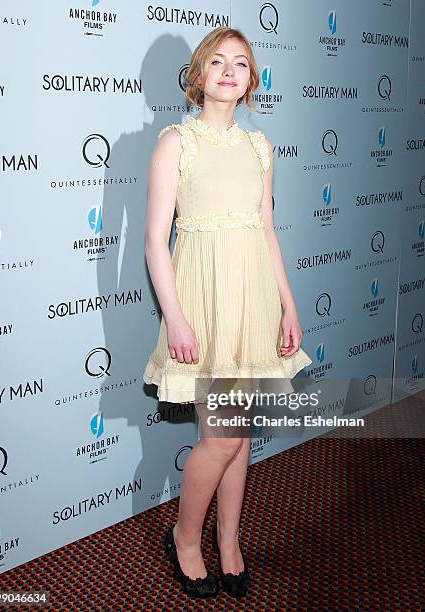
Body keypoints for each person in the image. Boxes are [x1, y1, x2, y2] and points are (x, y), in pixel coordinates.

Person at [143, 27, 312, 599]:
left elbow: (267, 232)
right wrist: (178, 317)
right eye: (217, 60)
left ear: (250, 81)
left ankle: (230, 541)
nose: (228, 70)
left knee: (237, 437)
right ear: (199, 73)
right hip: (203, 301)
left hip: (254, 298)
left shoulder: (259, 148)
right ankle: (186, 537)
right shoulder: (175, 143)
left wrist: (288, 308)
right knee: (224, 434)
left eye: (240, 63)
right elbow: (153, 242)